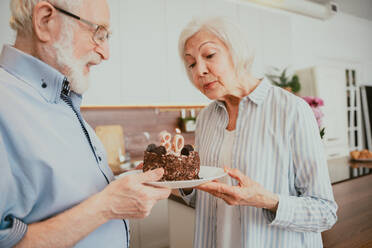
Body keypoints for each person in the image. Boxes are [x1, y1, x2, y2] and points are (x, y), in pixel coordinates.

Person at [0, 0, 170, 247]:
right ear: (45, 20)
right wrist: (108, 205)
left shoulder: (63, 101)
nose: (106, 53)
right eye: (98, 33)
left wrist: (121, 188)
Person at [177, 16, 338, 247]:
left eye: (209, 55)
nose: (199, 71)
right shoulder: (206, 118)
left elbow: (325, 211)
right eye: (191, 63)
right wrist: (182, 180)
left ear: (237, 52)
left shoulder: (291, 110)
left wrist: (266, 200)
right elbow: (208, 201)